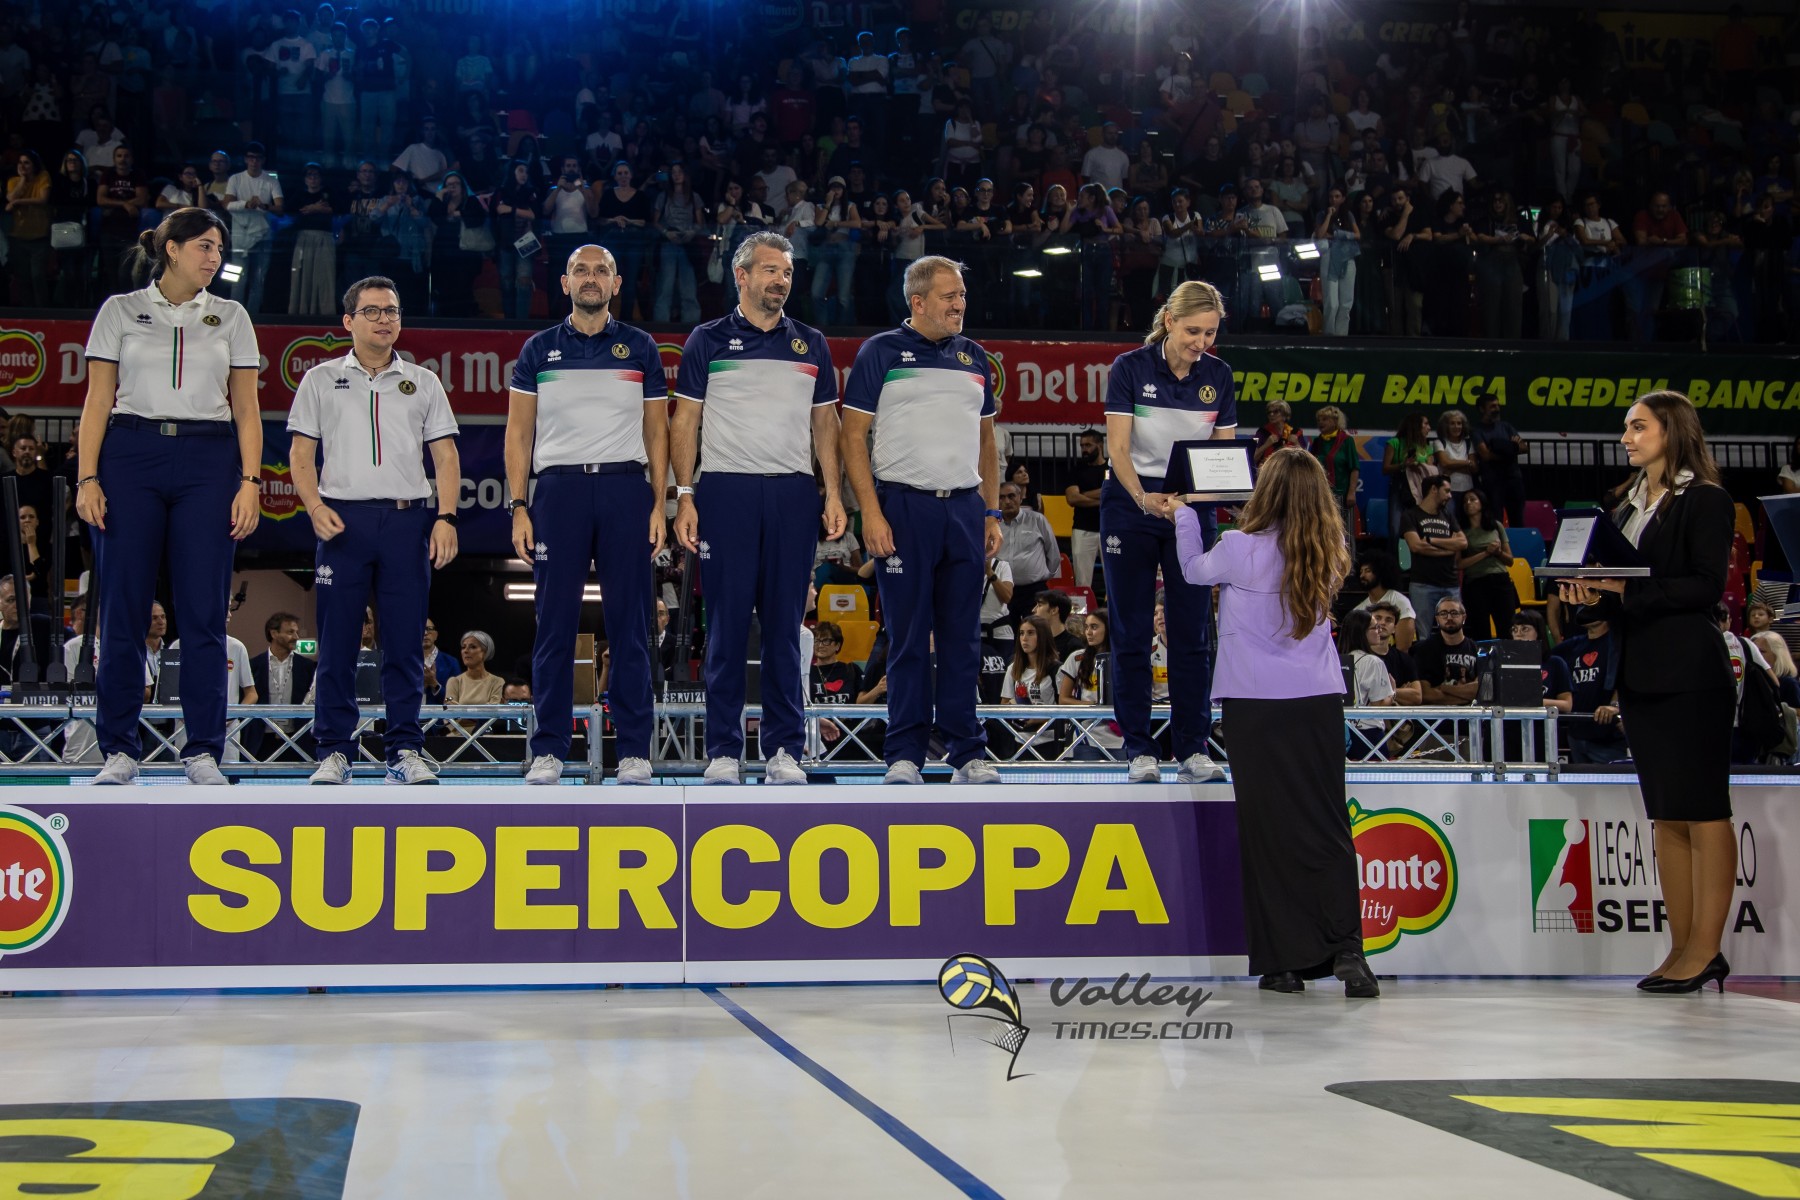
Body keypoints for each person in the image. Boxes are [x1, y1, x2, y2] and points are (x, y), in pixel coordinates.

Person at [1171, 447, 1376, 996]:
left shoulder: (1239, 547)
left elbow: (1192, 571)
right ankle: (1348, 951)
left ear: (1266, 491)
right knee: (1327, 825)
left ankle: (1283, 963)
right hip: (1317, 702)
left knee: (1267, 832)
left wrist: (1186, 514)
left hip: (1254, 704)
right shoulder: (1330, 549)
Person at [1558, 390, 1737, 993]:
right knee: (1665, 815)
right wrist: (1589, 595)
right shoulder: (1624, 507)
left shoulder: (1706, 499)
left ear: (1672, 430)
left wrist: (1624, 588)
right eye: (1626, 428)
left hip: (1692, 674)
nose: (1626, 438)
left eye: (1638, 427)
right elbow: (1622, 596)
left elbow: (1704, 587)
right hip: (1640, 674)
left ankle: (1706, 950)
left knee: (1704, 810)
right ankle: (1680, 948)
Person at [76, 207, 263, 785]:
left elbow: (247, 408)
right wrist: (87, 478)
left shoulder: (232, 315)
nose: (215, 257)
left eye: (219, 248)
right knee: (124, 607)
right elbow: (97, 400)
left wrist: (251, 482)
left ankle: (202, 749)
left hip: (209, 458)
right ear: (172, 249)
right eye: (205, 246)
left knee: (204, 612)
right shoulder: (120, 310)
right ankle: (119, 750)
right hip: (130, 454)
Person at [672, 232, 841, 785]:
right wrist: (685, 494)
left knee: (785, 630)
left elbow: (826, 424)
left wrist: (833, 492)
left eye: (787, 272)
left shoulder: (812, 343)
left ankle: (784, 749)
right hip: (726, 492)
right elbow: (684, 421)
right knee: (725, 628)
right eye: (770, 270)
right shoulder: (707, 339)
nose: (781, 281)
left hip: (794, 493)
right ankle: (724, 750)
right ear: (740, 276)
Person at [288, 276, 461, 785]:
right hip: (342, 522)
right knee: (337, 644)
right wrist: (314, 506)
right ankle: (333, 751)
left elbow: (445, 455)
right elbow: (300, 453)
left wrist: (446, 517)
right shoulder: (320, 379)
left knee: (405, 644)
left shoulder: (424, 381)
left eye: (392, 310)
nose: (385, 319)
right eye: (373, 311)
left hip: (407, 521)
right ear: (349, 321)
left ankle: (404, 749)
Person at [840, 255, 1003, 784]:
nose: (960, 305)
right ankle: (904, 754)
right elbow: (851, 435)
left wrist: (992, 512)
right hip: (905, 507)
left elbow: (987, 443)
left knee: (963, 639)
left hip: (965, 508)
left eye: (962, 296)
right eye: (949, 296)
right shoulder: (881, 351)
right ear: (918, 301)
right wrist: (870, 511)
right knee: (907, 638)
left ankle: (966, 751)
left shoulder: (975, 356)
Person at [507, 245, 666, 786]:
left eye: (601, 271)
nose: (591, 278)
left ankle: (634, 750)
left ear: (617, 283)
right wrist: (519, 505)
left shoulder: (640, 346)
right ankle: (549, 749)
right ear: (565, 282)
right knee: (553, 626)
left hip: (625, 487)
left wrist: (659, 502)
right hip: (559, 491)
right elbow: (518, 433)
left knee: (631, 627)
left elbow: (657, 431)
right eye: (581, 270)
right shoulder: (538, 349)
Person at [1100, 279, 1236, 784]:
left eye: (1210, 333)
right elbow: (1118, 450)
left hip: (1190, 507)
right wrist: (1145, 499)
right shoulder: (1129, 367)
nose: (1201, 342)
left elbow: (1221, 456)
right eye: (1193, 331)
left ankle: (1193, 749)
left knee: (1192, 633)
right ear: (1169, 321)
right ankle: (1139, 749)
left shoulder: (1219, 375)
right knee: (1132, 632)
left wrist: (1190, 503)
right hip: (1130, 504)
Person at [1551, 615, 1626, 763]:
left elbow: (1629, 677)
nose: (1585, 612)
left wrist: (1616, 706)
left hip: (1608, 738)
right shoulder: (1572, 645)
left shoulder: (1618, 643)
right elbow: (1544, 659)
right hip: (1576, 734)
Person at [223, 143, 283, 316]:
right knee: (237, 279)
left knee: (258, 279)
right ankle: (234, 316)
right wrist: (246, 204)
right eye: (251, 157)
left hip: (262, 236)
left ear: (263, 160)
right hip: (240, 236)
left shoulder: (271, 180)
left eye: (257, 158)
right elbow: (227, 204)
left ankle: (253, 317)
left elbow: (280, 208)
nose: (254, 161)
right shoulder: (236, 179)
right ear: (246, 159)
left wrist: (264, 206)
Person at [1056, 608, 1123, 759]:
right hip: (1086, 733)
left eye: (1094, 627)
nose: (1088, 632)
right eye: (1086, 627)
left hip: (1120, 734)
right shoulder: (1076, 658)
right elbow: (1063, 699)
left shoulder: (1123, 659)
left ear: (1109, 628)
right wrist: (1092, 706)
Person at [1400, 474, 1465, 620]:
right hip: (1422, 584)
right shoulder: (1411, 515)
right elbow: (1416, 546)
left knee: (1455, 627)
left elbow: (1463, 542)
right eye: (1446, 491)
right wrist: (1449, 549)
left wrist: (1431, 540)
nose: (1450, 496)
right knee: (1423, 632)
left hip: (1450, 583)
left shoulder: (1448, 515)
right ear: (1434, 489)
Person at [249, 610, 314, 756]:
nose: (296, 637)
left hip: (298, 740)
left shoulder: (307, 666)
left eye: (297, 632)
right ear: (274, 633)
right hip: (261, 741)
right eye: (290, 632)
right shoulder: (254, 665)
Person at [996, 481, 1057, 629]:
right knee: (1008, 633)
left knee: (1037, 632)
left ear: (1020, 497)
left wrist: (1044, 575)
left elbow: (1053, 553)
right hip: (1003, 590)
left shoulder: (1037, 520)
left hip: (1034, 590)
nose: (1007, 501)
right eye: (1002, 497)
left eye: (1011, 496)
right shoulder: (993, 524)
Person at [1456, 489, 1515, 641]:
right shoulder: (1461, 531)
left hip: (1500, 579)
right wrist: (1485, 553)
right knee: (1480, 630)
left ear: (1482, 503)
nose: (1468, 503)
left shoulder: (1496, 526)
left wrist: (1498, 552)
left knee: (1507, 627)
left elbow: (1510, 560)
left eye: (1472, 499)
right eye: (1465, 501)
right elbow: (1459, 564)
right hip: (1475, 582)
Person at [1413, 596, 1480, 705]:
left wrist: (1444, 688)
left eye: (1454, 613)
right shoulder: (1424, 649)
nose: (1449, 617)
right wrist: (1468, 697)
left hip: (1471, 714)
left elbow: (1482, 690)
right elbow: (1425, 694)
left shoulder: (1476, 649)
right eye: (1443, 613)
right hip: (1437, 714)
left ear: (1464, 617)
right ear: (1437, 619)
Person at [1473, 393, 1527, 527]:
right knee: (1495, 520)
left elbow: (1524, 447)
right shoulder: (1477, 431)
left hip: (1513, 478)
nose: (1496, 409)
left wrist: (1502, 448)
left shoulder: (1506, 427)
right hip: (1493, 482)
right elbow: (1485, 455)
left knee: (1518, 519)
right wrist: (1511, 449)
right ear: (1482, 409)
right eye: (1492, 406)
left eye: (1497, 405)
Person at [1064, 428, 1106, 590]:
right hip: (1082, 529)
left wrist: (1084, 494)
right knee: (1082, 582)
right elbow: (1072, 498)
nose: (1084, 449)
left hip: (1109, 529)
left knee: (1114, 579)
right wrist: (1102, 500)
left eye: (1088, 445)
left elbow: (1114, 493)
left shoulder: (1111, 468)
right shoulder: (1076, 470)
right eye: (1082, 446)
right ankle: (1082, 608)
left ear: (1100, 445)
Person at [445, 631, 503, 704]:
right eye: (463, 647)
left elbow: (493, 708)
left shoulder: (497, 682)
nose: (465, 651)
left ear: (485, 652)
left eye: (473, 647)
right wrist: (448, 701)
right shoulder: (454, 682)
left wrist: (460, 708)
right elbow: (448, 702)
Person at [421, 617, 460, 703]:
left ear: (436, 635)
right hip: (411, 711)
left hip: (441, 712)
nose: (425, 633)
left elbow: (453, 699)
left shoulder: (451, 663)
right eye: (421, 629)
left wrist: (434, 684)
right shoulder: (407, 663)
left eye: (429, 629)